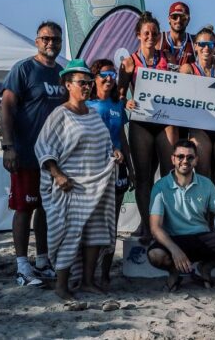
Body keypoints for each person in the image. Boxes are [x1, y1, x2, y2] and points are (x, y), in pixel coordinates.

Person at [34, 60, 123, 302]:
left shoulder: (93, 114)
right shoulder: (60, 114)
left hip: (97, 186)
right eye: (81, 82)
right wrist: (57, 174)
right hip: (71, 186)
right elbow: (43, 147)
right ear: (67, 85)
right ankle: (62, 285)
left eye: (88, 82)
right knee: (70, 233)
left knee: (95, 232)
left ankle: (88, 281)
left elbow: (105, 143)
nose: (86, 86)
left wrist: (114, 152)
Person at [1, 20, 65, 287]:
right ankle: (22, 267)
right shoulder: (24, 69)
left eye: (55, 39)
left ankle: (42, 261)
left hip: (53, 157)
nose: (51, 43)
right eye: (46, 38)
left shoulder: (62, 73)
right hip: (26, 152)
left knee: (45, 209)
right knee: (24, 208)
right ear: (37, 41)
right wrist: (8, 147)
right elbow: (6, 107)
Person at [147, 140, 215, 291]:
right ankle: (174, 272)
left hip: (202, 237)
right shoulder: (160, 186)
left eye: (190, 157)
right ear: (173, 159)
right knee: (155, 254)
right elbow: (155, 228)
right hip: (175, 239)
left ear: (196, 160)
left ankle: (205, 267)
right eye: (180, 156)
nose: (185, 161)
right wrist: (175, 250)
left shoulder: (206, 184)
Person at [118, 12, 178, 243]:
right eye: (146, 33)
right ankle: (147, 226)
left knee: (169, 174)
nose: (150, 37)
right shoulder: (129, 62)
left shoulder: (168, 57)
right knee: (144, 178)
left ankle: (168, 223)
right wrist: (127, 102)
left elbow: (179, 85)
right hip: (141, 122)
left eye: (154, 33)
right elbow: (120, 94)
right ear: (138, 35)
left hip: (165, 121)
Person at [179, 27, 215, 219]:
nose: (206, 48)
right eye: (202, 44)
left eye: (210, 44)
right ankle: (207, 224)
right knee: (204, 178)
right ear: (195, 47)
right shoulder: (188, 69)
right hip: (200, 128)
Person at [86, 59, 134, 287]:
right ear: (94, 78)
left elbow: (122, 137)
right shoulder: (85, 104)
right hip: (94, 170)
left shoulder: (117, 104)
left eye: (112, 75)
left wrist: (131, 168)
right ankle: (87, 275)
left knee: (111, 225)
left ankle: (105, 275)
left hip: (118, 168)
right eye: (104, 74)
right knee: (91, 223)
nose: (109, 79)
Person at [158, 1, 195, 71]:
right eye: (174, 17)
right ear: (169, 19)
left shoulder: (195, 41)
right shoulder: (159, 39)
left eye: (183, 17)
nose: (178, 20)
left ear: (188, 20)